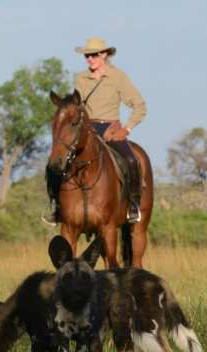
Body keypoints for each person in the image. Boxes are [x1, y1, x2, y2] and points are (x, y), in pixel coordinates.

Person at [44, 37, 147, 225]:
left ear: (104, 55)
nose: (90, 59)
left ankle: (133, 205)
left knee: (131, 160)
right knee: (55, 163)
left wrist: (126, 129)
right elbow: (77, 107)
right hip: (87, 129)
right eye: (87, 56)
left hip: (111, 128)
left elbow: (140, 106)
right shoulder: (81, 78)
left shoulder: (118, 77)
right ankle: (57, 208)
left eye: (94, 55)